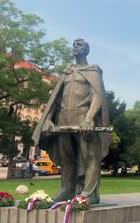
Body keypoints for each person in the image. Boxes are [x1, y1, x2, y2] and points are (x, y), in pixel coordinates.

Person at [32, 39, 112, 204]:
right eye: (74, 45)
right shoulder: (67, 72)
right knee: (67, 157)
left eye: (79, 45)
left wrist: (90, 118)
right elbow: (56, 98)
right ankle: (67, 190)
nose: (75, 47)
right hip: (63, 118)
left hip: (83, 117)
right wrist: (47, 119)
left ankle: (89, 193)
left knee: (90, 157)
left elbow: (98, 96)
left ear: (86, 50)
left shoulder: (93, 71)